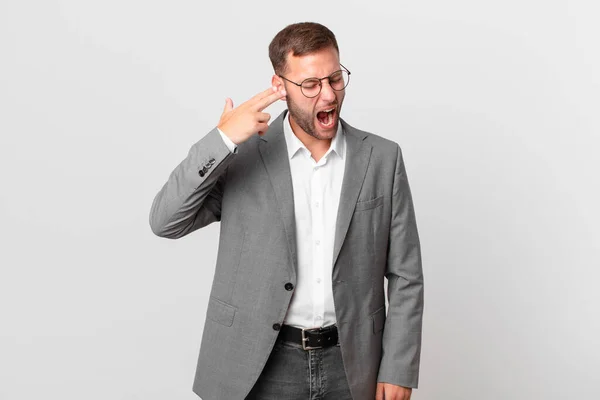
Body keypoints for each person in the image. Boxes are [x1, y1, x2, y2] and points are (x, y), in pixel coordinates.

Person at [149, 22, 424, 400]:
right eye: (311, 85)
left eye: (335, 79)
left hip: (353, 365)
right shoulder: (241, 155)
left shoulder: (382, 158)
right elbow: (166, 220)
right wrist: (223, 138)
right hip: (258, 365)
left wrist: (398, 366)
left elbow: (406, 275)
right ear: (280, 87)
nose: (328, 95)